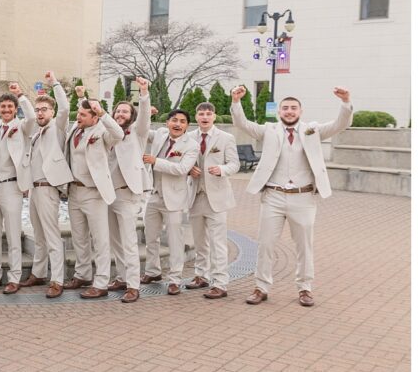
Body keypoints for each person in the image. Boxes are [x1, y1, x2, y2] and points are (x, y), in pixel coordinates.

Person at [231, 86, 353, 307]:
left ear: (300, 111)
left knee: (304, 246)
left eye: (293, 108)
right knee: (265, 244)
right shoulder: (268, 130)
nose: (289, 111)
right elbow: (242, 124)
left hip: (303, 197)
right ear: (279, 112)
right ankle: (261, 287)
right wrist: (236, 102)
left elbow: (340, 124)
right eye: (285, 108)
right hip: (273, 196)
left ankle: (305, 289)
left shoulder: (313, 130)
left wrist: (345, 102)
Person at [17, 72, 73, 298]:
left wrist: (55, 84)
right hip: (33, 189)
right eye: (37, 110)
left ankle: (57, 279)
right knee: (38, 235)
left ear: (52, 112)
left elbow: (66, 109)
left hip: (49, 188)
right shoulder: (36, 133)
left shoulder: (58, 128)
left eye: (44, 110)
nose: (40, 113)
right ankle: (39, 272)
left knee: (51, 236)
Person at [62, 97, 124, 298]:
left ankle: (101, 282)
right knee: (79, 237)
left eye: (83, 114)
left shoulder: (103, 133)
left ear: (95, 117)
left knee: (100, 240)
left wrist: (104, 112)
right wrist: (81, 97)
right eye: (78, 113)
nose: (78, 117)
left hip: (94, 192)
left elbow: (119, 133)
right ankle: (83, 274)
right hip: (73, 191)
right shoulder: (75, 129)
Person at [0, 83, 36, 294]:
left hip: (12, 185)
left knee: (13, 234)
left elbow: (31, 118)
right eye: (2, 107)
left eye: (9, 107)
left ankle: (14, 277)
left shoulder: (22, 127)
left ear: (15, 109)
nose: (5, 110)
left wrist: (21, 95)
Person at [186, 102, 241, 300]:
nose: (205, 117)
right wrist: (189, 169)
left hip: (217, 197)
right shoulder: (189, 137)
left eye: (208, 114)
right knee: (200, 241)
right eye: (201, 114)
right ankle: (201, 275)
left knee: (218, 243)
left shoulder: (226, 138)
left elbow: (235, 164)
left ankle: (220, 283)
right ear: (196, 116)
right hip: (195, 195)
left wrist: (222, 170)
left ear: (214, 117)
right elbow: (183, 161)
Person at [141, 109, 200, 295]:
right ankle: (153, 271)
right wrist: (145, 112)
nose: (178, 124)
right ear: (167, 122)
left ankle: (175, 279)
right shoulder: (160, 134)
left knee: (175, 240)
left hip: (174, 199)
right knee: (150, 237)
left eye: (182, 121)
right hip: (153, 195)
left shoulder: (191, 145)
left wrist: (155, 161)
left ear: (187, 126)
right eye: (174, 120)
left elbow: (182, 169)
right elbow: (140, 130)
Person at [104, 76, 152, 303]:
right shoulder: (108, 135)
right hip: (108, 195)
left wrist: (143, 94)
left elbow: (144, 118)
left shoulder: (137, 133)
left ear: (130, 117)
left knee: (129, 241)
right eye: (117, 112)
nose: (120, 115)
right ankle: (122, 277)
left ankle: (133, 285)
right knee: (116, 241)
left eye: (124, 112)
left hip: (127, 193)